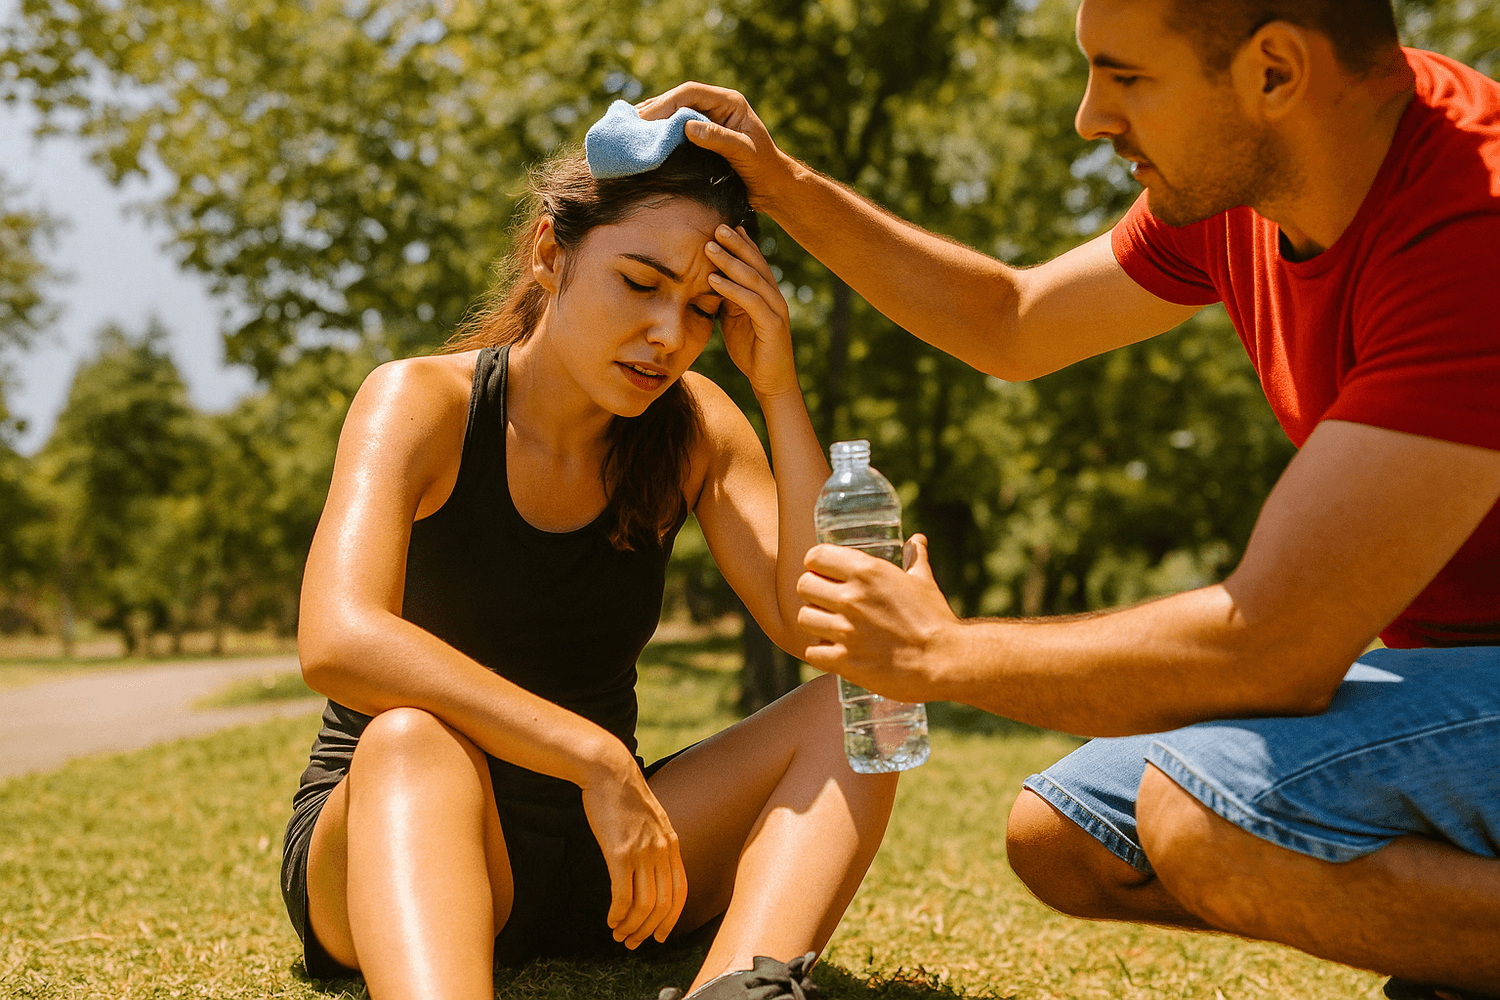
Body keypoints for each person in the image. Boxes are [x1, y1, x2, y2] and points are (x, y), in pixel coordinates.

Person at [637, 0, 1500, 997]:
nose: (1090, 116)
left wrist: (942, 655)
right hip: (1454, 673)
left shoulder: (1473, 230)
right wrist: (779, 185)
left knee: (1202, 817)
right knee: (1068, 834)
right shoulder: (1247, 185)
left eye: (1126, 78)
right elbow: (1012, 320)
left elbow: (1279, 646)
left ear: (1273, 73)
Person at [280, 140, 898, 1000]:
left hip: (611, 859)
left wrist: (778, 389)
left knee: (860, 701)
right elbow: (338, 638)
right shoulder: (421, 403)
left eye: (702, 308)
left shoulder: (695, 427)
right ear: (549, 253)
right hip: (400, 835)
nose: (667, 336)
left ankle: (740, 991)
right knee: (411, 737)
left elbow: (813, 629)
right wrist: (591, 755)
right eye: (640, 284)